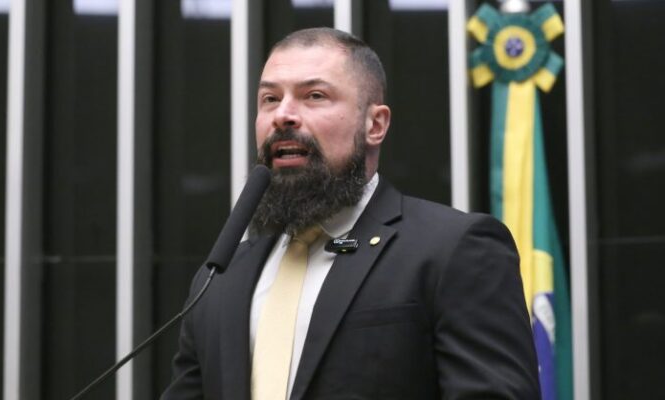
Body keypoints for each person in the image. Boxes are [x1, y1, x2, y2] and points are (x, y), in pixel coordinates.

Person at [161, 27, 540, 400]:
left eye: (314, 96)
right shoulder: (220, 277)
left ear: (375, 125)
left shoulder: (453, 250)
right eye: (270, 99)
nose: (283, 115)